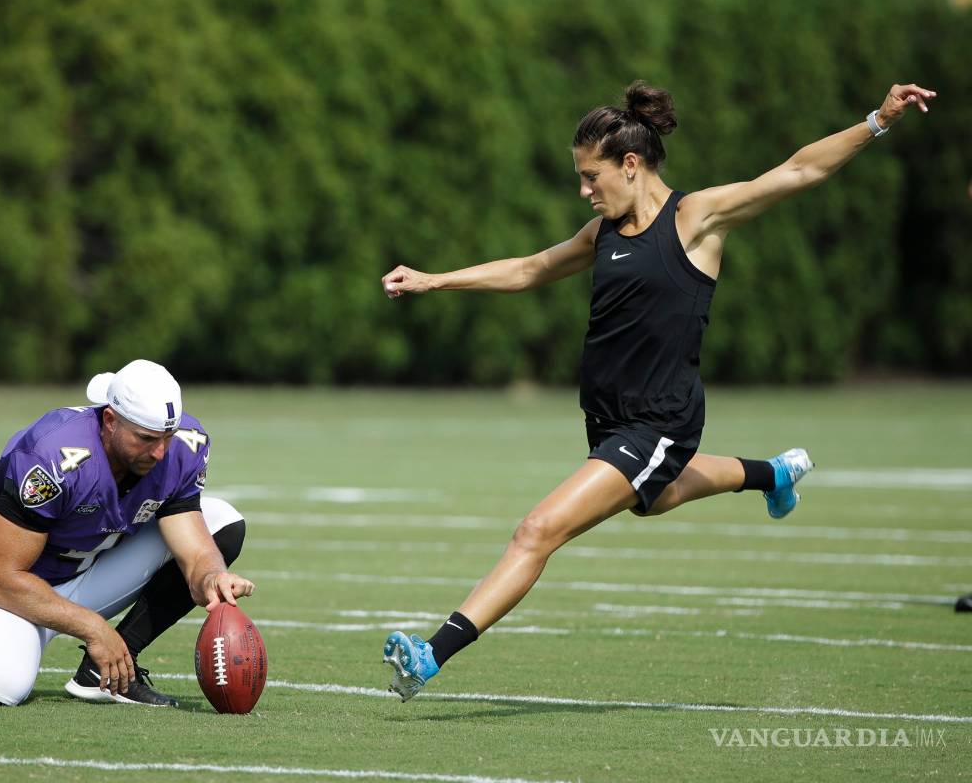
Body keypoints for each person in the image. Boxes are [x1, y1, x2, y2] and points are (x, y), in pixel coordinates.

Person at [378, 82, 936, 700]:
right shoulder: (602, 235)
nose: (584, 191)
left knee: (537, 532)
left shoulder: (694, 218)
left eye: (592, 177)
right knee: (658, 497)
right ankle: (771, 475)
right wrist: (434, 280)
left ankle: (430, 655)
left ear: (631, 164)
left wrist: (877, 121)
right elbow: (532, 268)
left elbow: (798, 170)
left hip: (658, 419)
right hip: (609, 419)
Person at [0, 359, 255, 707]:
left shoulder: (183, 446)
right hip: (6, 584)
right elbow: (0, 580)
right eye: (145, 438)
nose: (159, 452)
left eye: (166, 437)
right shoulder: (52, 456)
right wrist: (95, 628)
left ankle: (107, 672)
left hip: (85, 570)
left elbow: (192, 543)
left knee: (220, 521)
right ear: (110, 421)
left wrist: (211, 576)